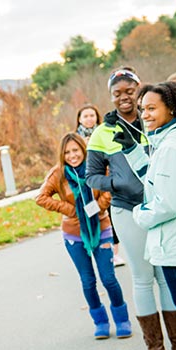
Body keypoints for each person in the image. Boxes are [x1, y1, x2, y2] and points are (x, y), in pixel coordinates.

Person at [86, 67, 176, 350]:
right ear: (110, 96)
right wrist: (118, 185)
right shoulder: (103, 132)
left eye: (130, 91)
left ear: (140, 90)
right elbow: (92, 176)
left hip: (162, 209)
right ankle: (155, 348)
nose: (125, 98)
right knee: (143, 276)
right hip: (129, 210)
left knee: (166, 276)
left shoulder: (154, 119)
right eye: (118, 93)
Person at [36, 133, 132, 339]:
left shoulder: (96, 168)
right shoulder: (58, 174)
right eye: (67, 152)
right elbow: (41, 197)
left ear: (83, 149)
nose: (72, 155)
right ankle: (100, 322)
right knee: (88, 281)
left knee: (108, 278)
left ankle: (122, 319)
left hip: (103, 228)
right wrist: (69, 209)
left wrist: (100, 204)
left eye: (75, 150)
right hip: (73, 235)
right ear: (62, 155)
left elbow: (113, 185)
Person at [120, 81, 176, 350]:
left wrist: (139, 214)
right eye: (143, 109)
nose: (145, 114)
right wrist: (133, 152)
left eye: (152, 108)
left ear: (172, 108)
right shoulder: (164, 143)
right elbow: (157, 181)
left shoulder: (171, 147)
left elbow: (168, 203)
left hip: (175, 248)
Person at [75, 105, 125, 268]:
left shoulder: (104, 133)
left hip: (104, 182)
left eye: (92, 115)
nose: (89, 119)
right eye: (85, 116)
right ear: (79, 119)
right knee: (90, 217)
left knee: (109, 217)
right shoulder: (75, 139)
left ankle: (114, 253)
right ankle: (95, 251)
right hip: (85, 185)